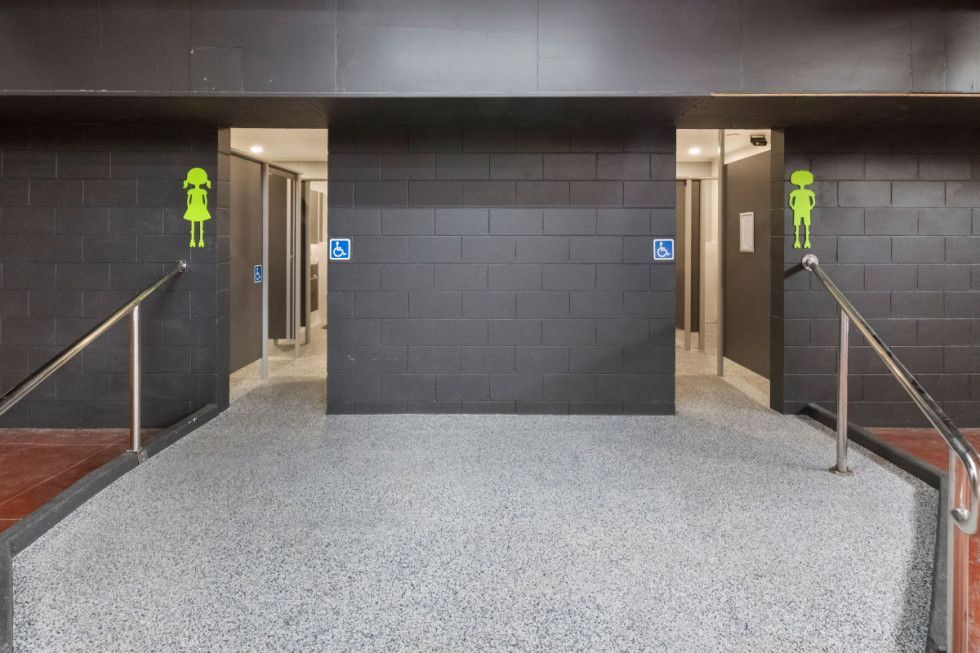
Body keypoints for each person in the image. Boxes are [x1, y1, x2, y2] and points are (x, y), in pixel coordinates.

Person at [182, 167, 211, 248]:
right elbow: (188, 200)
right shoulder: (191, 191)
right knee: (193, 224)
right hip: (195, 208)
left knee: (200, 224)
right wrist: (189, 207)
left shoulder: (203, 191)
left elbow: (205, 200)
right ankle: (192, 240)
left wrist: (204, 207)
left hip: (199, 208)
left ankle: (201, 240)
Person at [788, 169, 815, 249]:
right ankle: (797, 241)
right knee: (797, 226)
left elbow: (813, 201)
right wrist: (793, 207)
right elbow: (790, 202)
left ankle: (807, 241)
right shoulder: (795, 192)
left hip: (805, 210)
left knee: (806, 225)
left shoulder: (808, 192)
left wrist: (810, 206)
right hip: (798, 210)